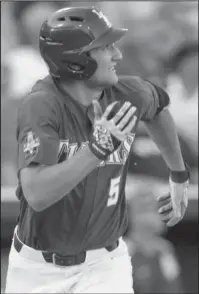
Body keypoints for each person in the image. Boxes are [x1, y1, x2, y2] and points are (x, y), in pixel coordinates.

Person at [5, 7, 189, 293]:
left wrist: (178, 175)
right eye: (105, 47)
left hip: (105, 265)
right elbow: (37, 194)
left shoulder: (126, 92)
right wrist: (97, 150)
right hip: (38, 270)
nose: (117, 55)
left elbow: (159, 109)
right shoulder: (42, 105)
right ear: (76, 61)